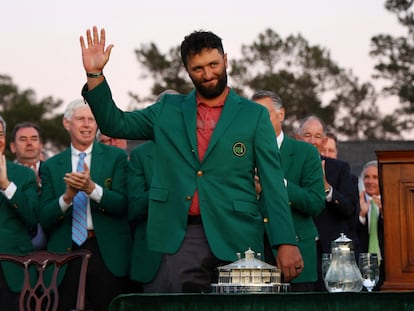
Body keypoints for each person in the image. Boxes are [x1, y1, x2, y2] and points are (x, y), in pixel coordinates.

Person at [79, 26, 303, 292]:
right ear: (187, 70)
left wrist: (285, 241)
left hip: (239, 234)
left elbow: (273, 182)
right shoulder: (166, 110)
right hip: (181, 236)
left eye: (214, 64)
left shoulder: (254, 116)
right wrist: (95, 74)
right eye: (198, 68)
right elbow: (114, 123)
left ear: (226, 60)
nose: (208, 74)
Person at [38, 99, 131, 311]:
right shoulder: (52, 165)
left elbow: (124, 205)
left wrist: (92, 189)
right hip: (66, 252)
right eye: (81, 119)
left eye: (92, 120)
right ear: (66, 123)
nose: (87, 124)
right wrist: (67, 197)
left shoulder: (116, 157)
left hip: (106, 251)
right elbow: (44, 217)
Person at [252, 90, 325, 291]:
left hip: (297, 255)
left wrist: (279, 184)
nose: (258, 121)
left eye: (263, 113)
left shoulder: (306, 152)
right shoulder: (243, 153)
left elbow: (316, 203)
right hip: (254, 256)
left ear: (281, 114)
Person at [296, 115, 358, 291]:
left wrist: (327, 189)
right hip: (296, 251)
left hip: (331, 256)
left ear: (324, 141)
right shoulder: (286, 165)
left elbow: (349, 210)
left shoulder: (340, 169)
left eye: (317, 136)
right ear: (297, 138)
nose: (312, 141)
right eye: (307, 135)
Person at [0, 116, 39, 310]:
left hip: (14, 268)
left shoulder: (24, 175)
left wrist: (6, 185)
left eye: (0, 134)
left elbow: (32, 217)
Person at [10, 121, 47, 250]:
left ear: (41, 145)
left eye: (34, 139)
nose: (29, 143)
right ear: (13, 147)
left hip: (50, 249)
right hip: (13, 247)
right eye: (23, 139)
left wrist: (40, 186)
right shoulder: (4, 174)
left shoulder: (54, 171)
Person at [357, 160, 384, 290]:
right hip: (361, 265)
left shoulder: (391, 202)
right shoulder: (355, 201)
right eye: (367, 177)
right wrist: (362, 215)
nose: (370, 181)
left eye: (375, 177)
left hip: (386, 266)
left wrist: (385, 212)